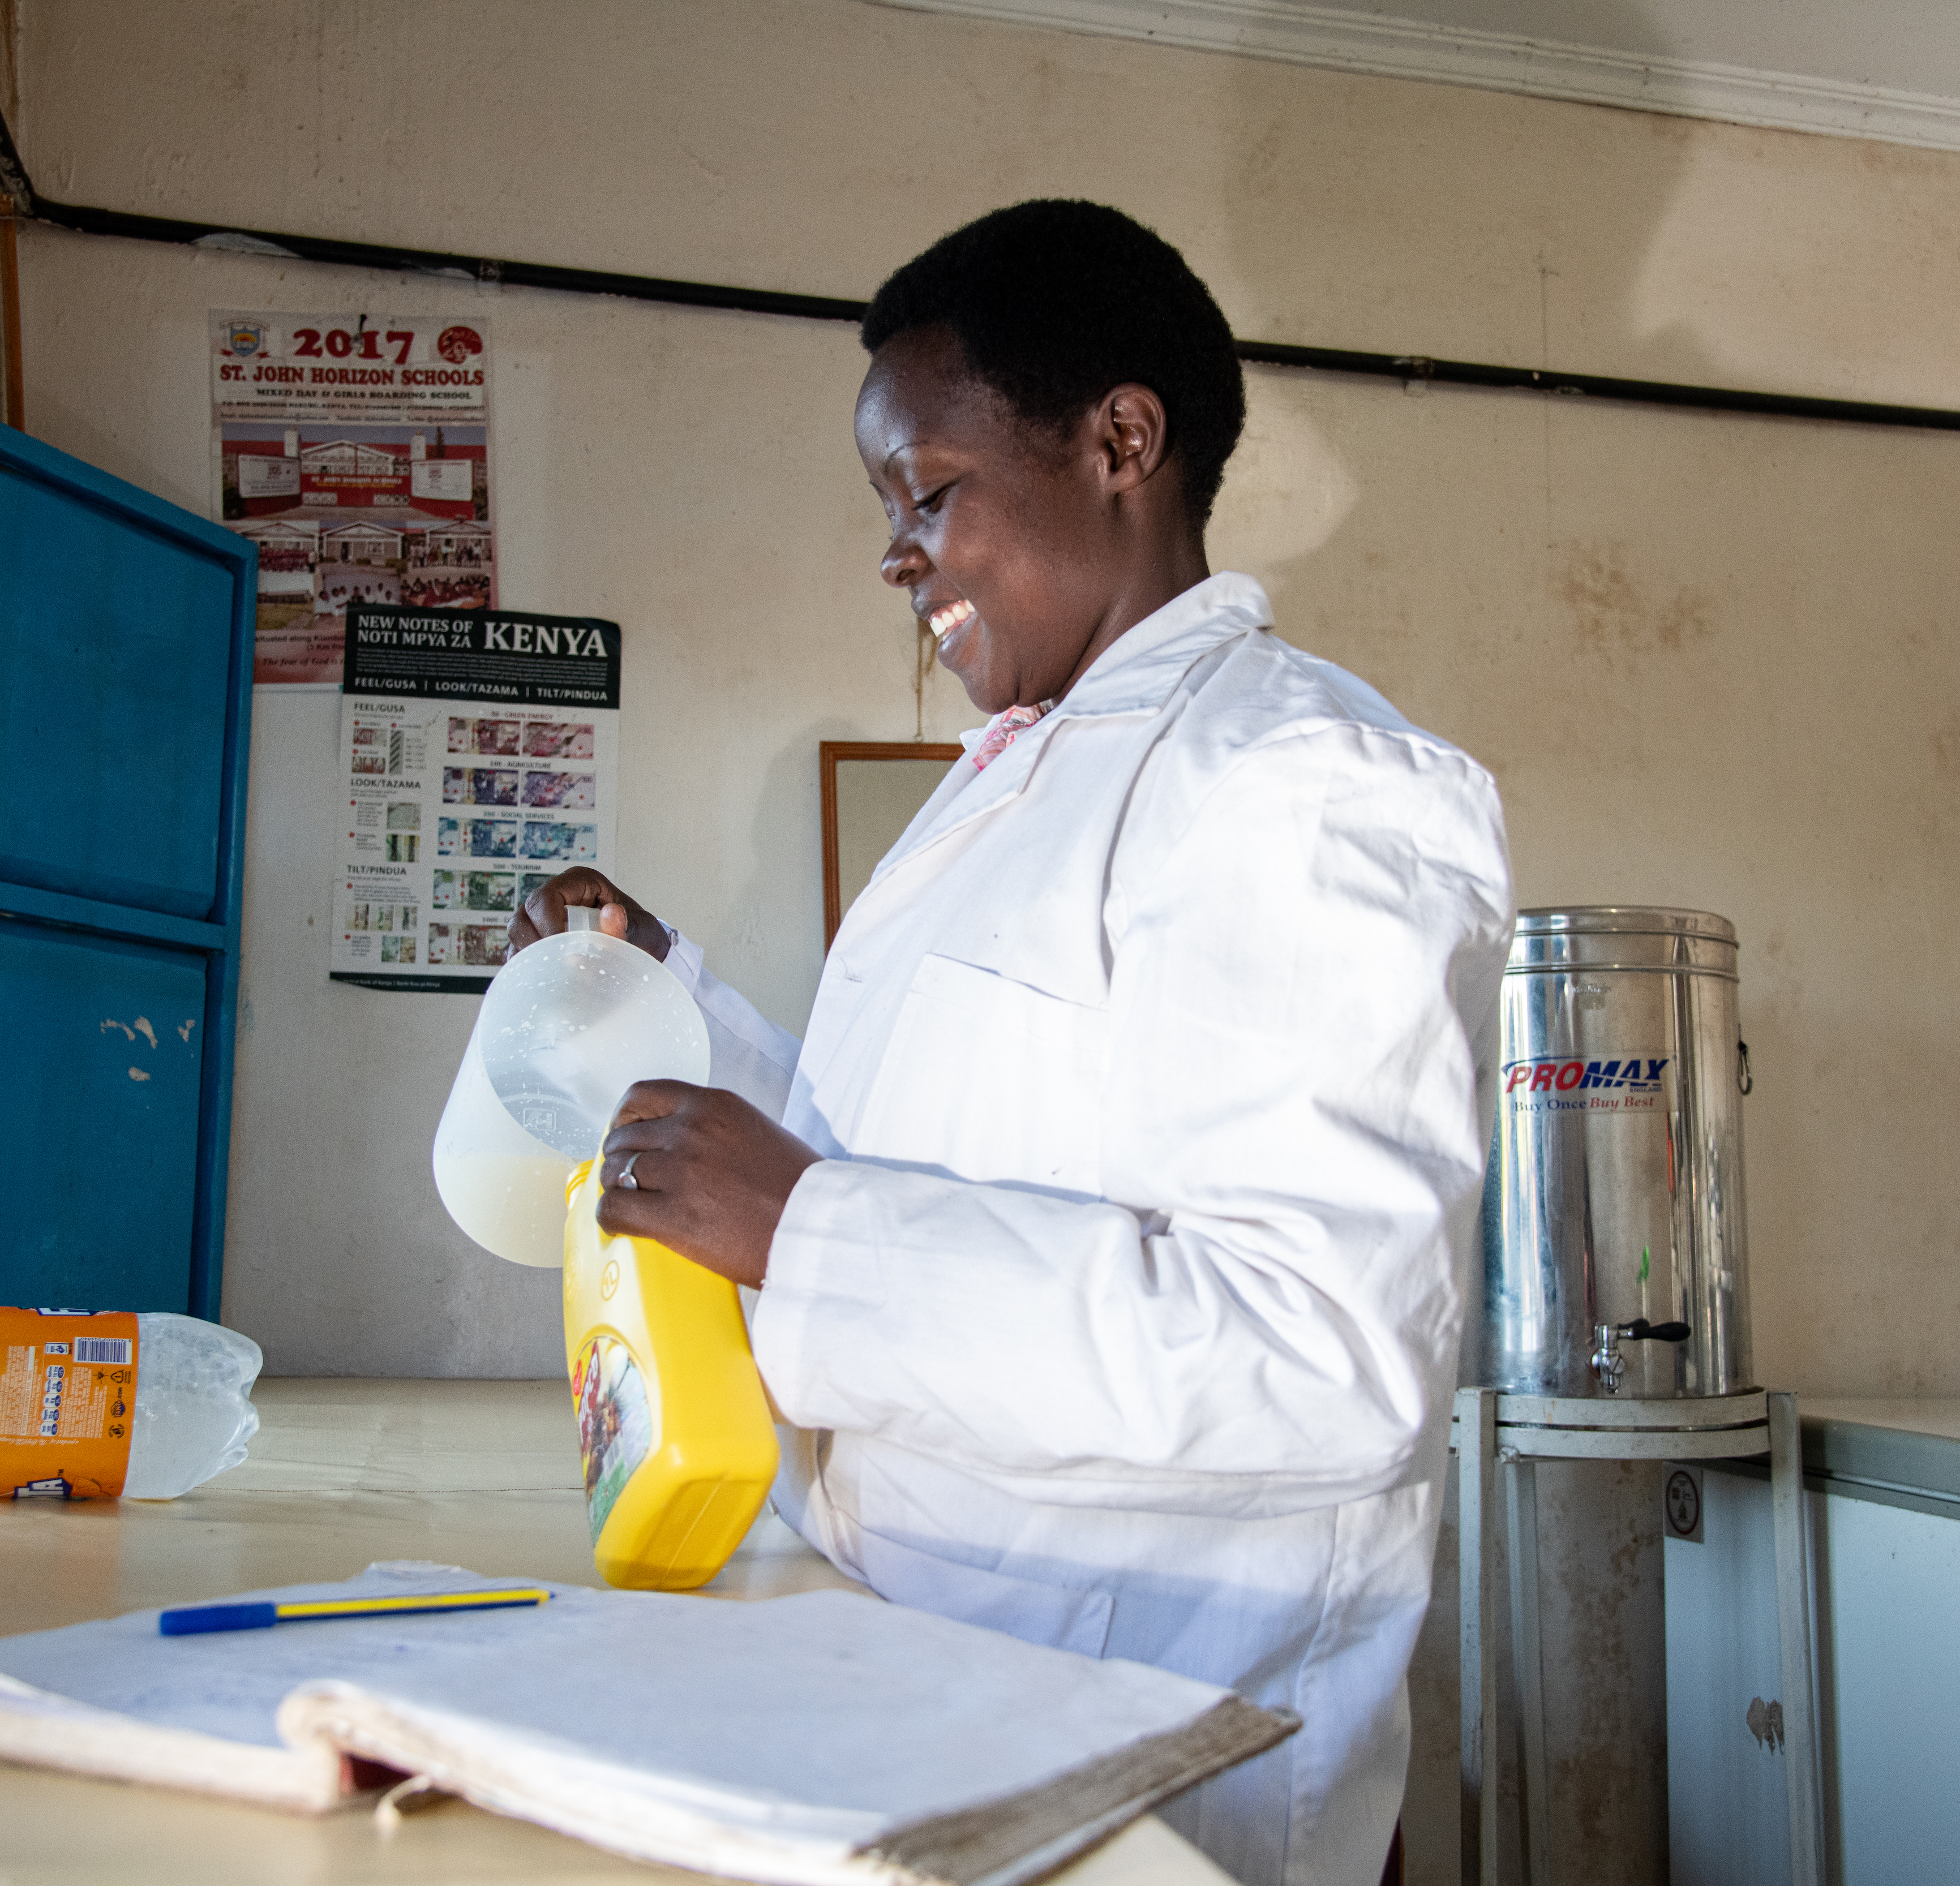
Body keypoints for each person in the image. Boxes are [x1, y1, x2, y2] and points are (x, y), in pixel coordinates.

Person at [508, 200, 1513, 1886]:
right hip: (914, 1674)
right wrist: (651, 996)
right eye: (887, 510)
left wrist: (804, 1231)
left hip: (1151, 1761)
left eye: (932, 491)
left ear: (1124, 441)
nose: (896, 554)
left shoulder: (1307, 783)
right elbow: (877, 1145)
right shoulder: (1012, 784)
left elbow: (1326, 1360)